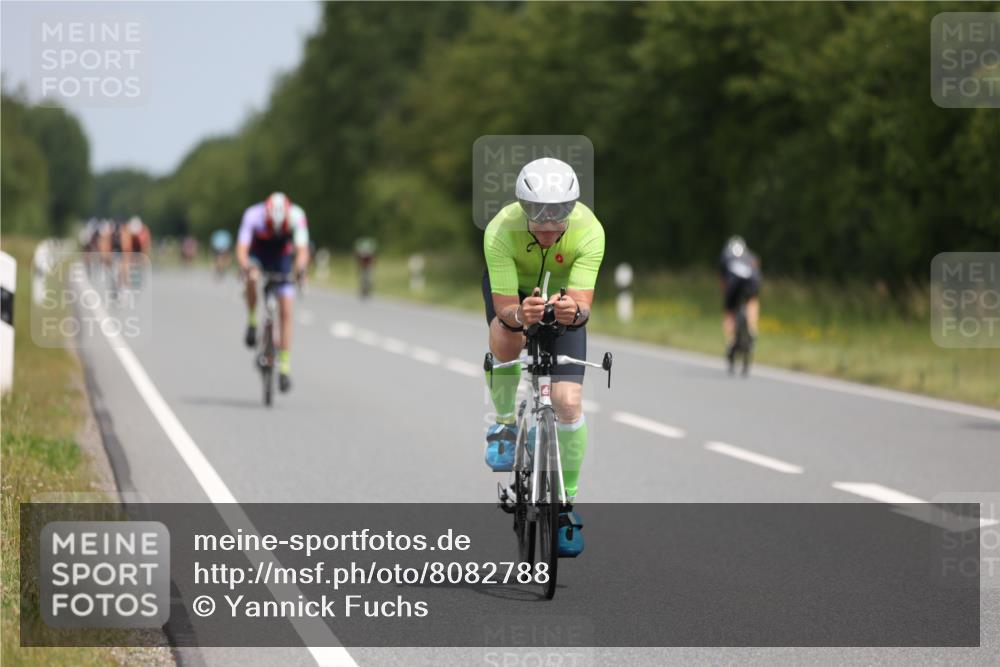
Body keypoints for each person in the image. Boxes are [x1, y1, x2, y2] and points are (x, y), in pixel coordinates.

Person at [482, 157, 604, 557]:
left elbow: (584, 305)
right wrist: (520, 315)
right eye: (539, 217)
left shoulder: (589, 230)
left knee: (568, 401)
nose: (550, 227)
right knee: (505, 338)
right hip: (513, 295)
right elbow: (505, 309)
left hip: (561, 295)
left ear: (573, 208)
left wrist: (574, 311)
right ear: (523, 208)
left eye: (560, 216)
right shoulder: (501, 229)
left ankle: (565, 504)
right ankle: (503, 425)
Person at [235, 192, 310, 393]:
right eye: (271, 226)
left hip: (282, 259)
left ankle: (284, 368)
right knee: (251, 278)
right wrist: (245, 267)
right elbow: (242, 248)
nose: (276, 230)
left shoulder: (297, 215)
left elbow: (302, 250)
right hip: (258, 255)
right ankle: (252, 320)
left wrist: (300, 270)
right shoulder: (252, 215)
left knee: (286, 312)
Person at [719, 235, 762, 368]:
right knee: (752, 301)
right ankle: (752, 328)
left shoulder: (725, 256)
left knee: (729, 312)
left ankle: (731, 341)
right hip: (751, 281)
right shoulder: (750, 255)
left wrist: (727, 298)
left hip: (732, 283)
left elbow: (723, 281)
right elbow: (757, 270)